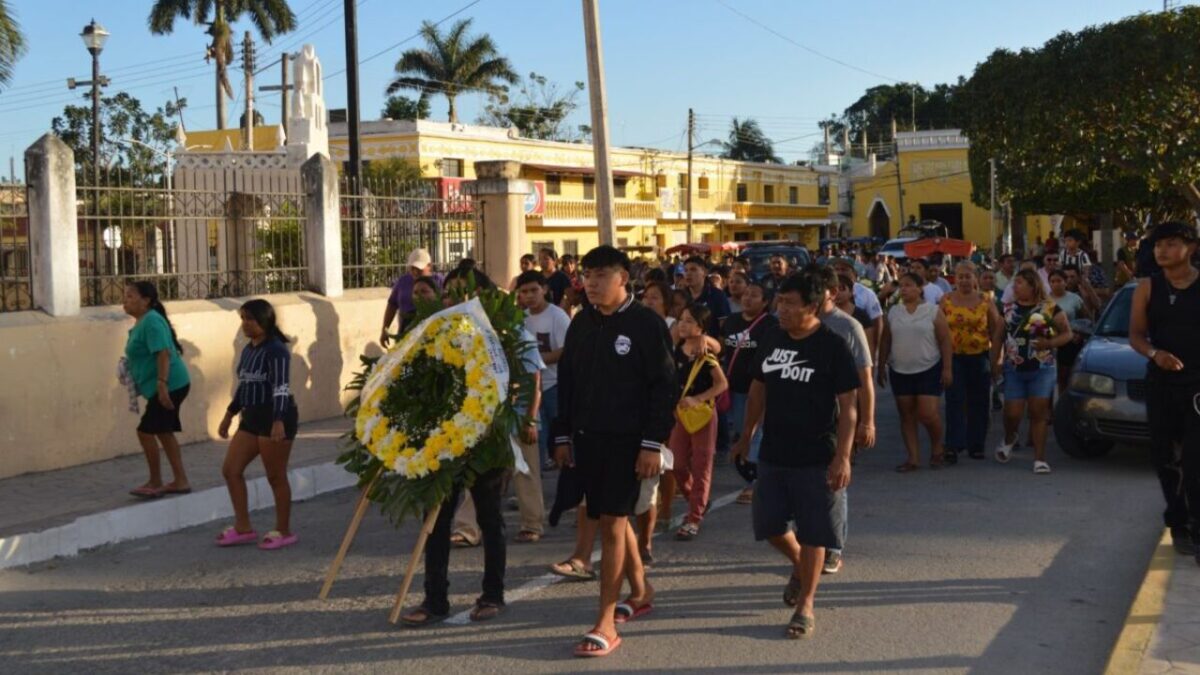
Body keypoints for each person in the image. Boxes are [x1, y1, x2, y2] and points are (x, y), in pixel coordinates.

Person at [554, 245, 675, 657]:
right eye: (587, 275)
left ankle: (605, 622)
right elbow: (568, 381)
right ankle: (640, 591)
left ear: (624, 278)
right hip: (588, 439)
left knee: (611, 523)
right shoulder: (581, 323)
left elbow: (664, 387)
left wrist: (651, 443)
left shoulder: (646, 324)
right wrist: (562, 435)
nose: (591, 283)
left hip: (629, 444)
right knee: (609, 515)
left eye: (601, 275)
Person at [731, 272, 859, 639]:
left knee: (815, 532)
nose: (781, 310)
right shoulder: (772, 337)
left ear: (812, 307)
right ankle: (802, 567)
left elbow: (849, 406)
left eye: (790, 304)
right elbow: (758, 388)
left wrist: (844, 457)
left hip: (818, 454)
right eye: (780, 302)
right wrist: (746, 435)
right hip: (773, 451)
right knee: (769, 526)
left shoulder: (832, 346)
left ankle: (806, 604)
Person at [402, 260, 516, 625]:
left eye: (459, 293)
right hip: (443, 441)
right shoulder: (431, 332)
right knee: (435, 521)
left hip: (485, 441)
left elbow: (506, 387)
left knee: (489, 517)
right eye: (447, 292)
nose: (451, 299)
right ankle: (435, 599)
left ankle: (492, 593)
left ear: (479, 295)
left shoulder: (498, 333)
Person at [1130, 222, 1200, 558]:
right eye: (1159, 244)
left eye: (1172, 244)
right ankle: (1178, 521)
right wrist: (1155, 354)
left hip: (1197, 385)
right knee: (1165, 458)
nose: (1162, 251)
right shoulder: (1148, 287)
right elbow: (1137, 336)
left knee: (1196, 458)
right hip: (1161, 383)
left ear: (1191, 248)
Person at [216, 299, 300, 550]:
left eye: (250, 319)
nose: (245, 324)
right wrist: (230, 414)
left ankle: (283, 530)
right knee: (231, 470)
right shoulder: (248, 349)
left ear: (265, 320)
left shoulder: (276, 350)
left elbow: (281, 387)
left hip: (274, 418)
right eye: (242, 318)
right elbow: (245, 385)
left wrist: (278, 421)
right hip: (250, 418)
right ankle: (243, 527)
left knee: (275, 476)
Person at [808, 266, 874, 576]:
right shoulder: (797, 323)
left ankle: (833, 547)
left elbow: (865, 378)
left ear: (832, 293)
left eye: (816, 289)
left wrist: (867, 421)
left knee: (834, 482)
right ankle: (808, 542)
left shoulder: (849, 327)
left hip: (838, 416)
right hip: (802, 417)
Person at [994, 270, 1072, 474]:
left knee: (1039, 413)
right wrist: (995, 363)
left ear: (1032, 285)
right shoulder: (1008, 309)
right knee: (1012, 412)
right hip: (1014, 368)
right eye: (1014, 283)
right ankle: (1010, 437)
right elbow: (998, 338)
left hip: (1042, 369)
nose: (1014, 287)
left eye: (1019, 282)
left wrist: (1050, 342)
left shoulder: (1049, 308)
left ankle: (1039, 459)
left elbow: (1067, 334)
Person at [122, 281, 192, 499]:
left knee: (146, 431)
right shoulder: (143, 322)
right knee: (162, 431)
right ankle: (180, 480)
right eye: (125, 296)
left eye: (131, 296)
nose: (125, 300)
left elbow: (163, 353)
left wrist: (162, 385)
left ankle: (155, 481)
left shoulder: (151, 321)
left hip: (170, 384)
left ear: (146, 301)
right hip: (165, 385)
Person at [878, 272, 953, 471]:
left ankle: (937, 447)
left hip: (929, 367)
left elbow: (945, 340)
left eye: (909, 285)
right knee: (907, 415)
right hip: (900, 369)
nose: (904, 289)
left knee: (928, 414)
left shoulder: (933, 311)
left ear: (920, 288)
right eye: (901, 286)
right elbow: (886, 340)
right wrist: (881, 366)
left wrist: (947, 368)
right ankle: (913, 458)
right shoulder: (894, 311)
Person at [668, 303, 728, 541]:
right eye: (681, 319)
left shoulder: (706, 356)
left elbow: (722, 384)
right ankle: (697, 498)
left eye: (690, 321)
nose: (683, 324)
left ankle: (694, 518)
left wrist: (698, 398)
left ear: (701, 327)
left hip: (702, 414)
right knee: (676, 462)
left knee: (702, 464)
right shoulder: (675, 351)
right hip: (679, 415)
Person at [939, 262, 1004, 461]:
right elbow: (939, 331)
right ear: (954, 278)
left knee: (979, 401)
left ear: (975, 278)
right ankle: (953, 445)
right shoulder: (946, 300)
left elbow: (996, 330)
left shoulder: (985, 300)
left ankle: (976, 444)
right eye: (960, 276)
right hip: (954, 357)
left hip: (980, 356)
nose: (964, 280)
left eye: (968, 276)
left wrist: (996, 360)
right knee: (954, 400)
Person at [721, 281, 777, 505]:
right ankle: (755, 477)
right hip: (732, 389)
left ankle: (757, 483)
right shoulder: (731, 322)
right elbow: (724, 350)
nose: (747, 298)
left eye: (754, 295)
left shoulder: (770, 325)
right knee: (740, 434)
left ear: (765, 302)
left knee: (755, 435)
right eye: (745, 294)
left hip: (758, 390)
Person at [515, 271, 572, 474]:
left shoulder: (557, 316)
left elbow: (566, 350)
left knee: (558, 435)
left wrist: (534, 361)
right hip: (530, 387)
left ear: (545, 289)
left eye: (534, 290)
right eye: (524, 292)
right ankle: (535, 479)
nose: (529, 295)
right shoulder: (520, 318)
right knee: (536, 436)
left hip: (554, 384)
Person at [381, 248, 441, 346]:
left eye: (419, 269)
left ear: (429, 266)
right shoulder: (402, 282)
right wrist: (385, 329)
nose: (415, 271)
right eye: (412, 268)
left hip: (432, 329)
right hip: (406, 329)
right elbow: (392, 305)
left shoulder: (439, 281)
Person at [831, 258, 883, 357]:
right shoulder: (827, 292)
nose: (839, 272)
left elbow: (877, 321)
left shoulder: (867, 294)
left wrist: (875, 347)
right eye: (836, 269)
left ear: (854, 273)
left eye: (844, 269)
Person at [680, 255, 731, 335]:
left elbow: (724, 326)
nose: (688, 273)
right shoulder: (680, 296)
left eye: (693, 269)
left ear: (705, 272)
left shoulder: (718, 295)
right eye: (686, 270)